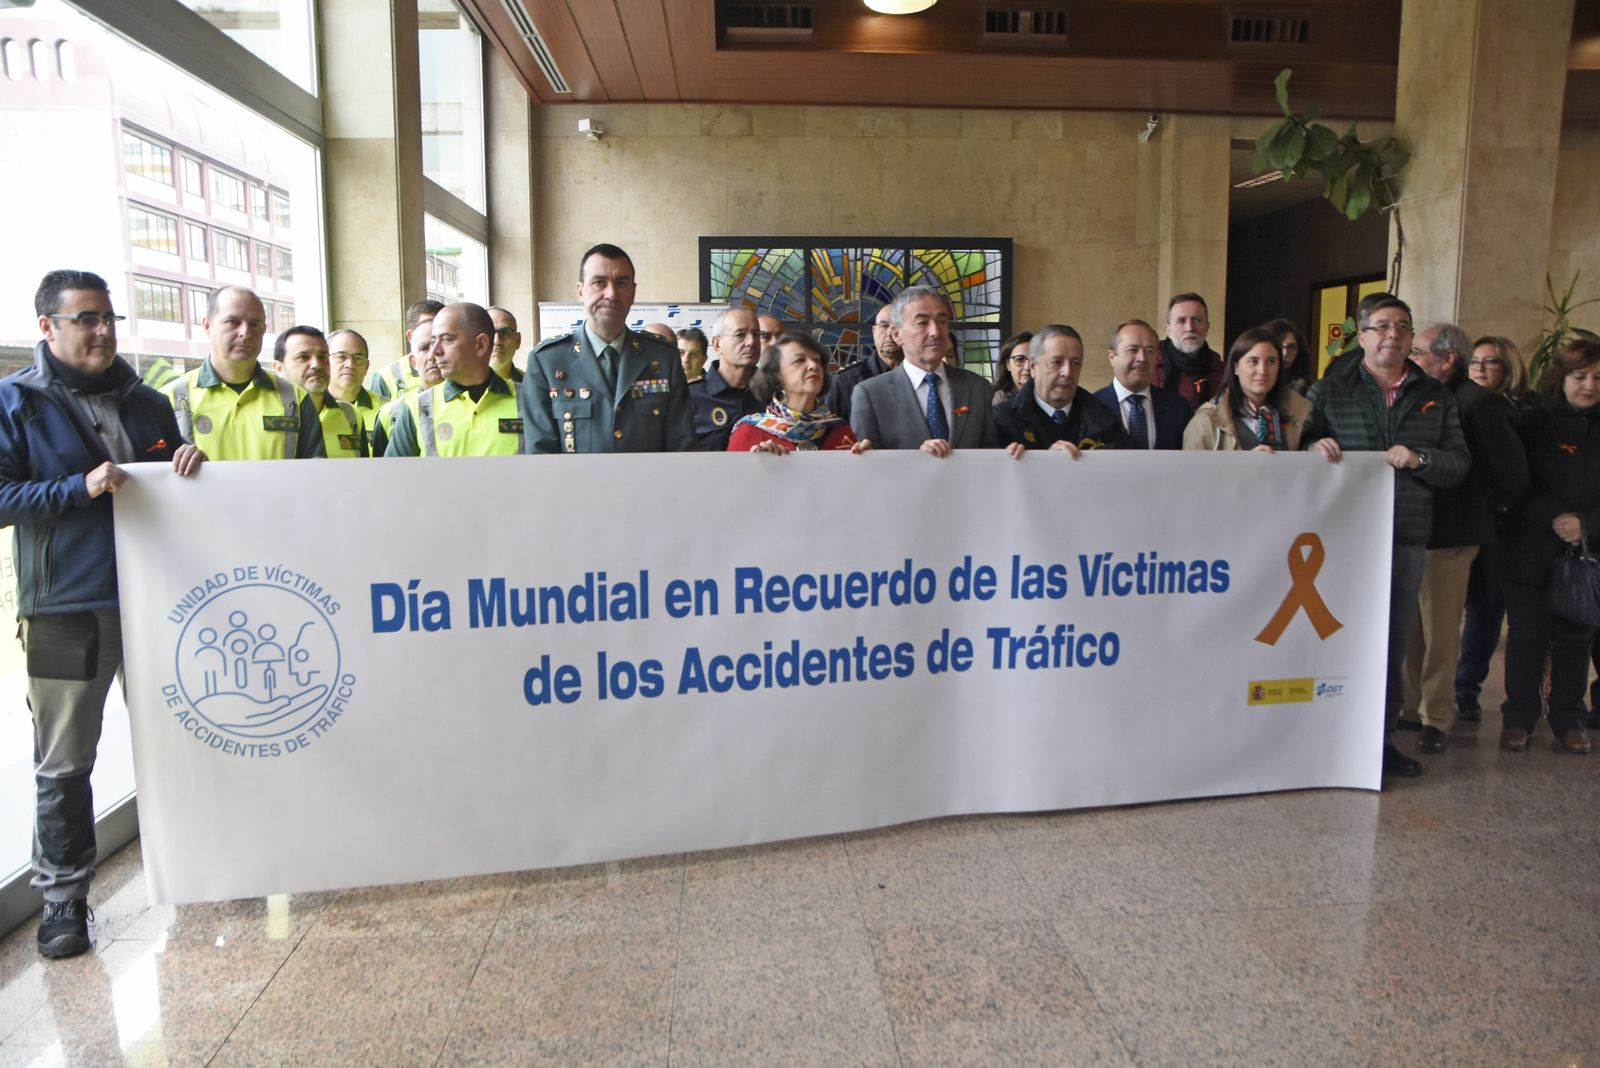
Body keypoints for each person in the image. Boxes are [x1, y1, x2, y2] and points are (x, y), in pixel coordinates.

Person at [0, 270, 205, 958]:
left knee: (182, 743)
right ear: (48, 328)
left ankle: (199, 866)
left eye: (108, 317)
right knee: (64, 762)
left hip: (160, 600)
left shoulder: (148, 402)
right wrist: (76, 488)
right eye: (85, 318)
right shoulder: (16, 403)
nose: (102, 329)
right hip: (66, 607)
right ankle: (63, 901)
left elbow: (173, 486)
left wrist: (187, 463)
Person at [1301, 295, 1469, 781]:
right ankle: (1328, 736)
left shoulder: (1435, 395)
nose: (1392, 335)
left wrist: (1422, 460)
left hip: (1404, 535)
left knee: (1390, 642)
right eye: (1381, 327)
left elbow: (1458, 462)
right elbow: (1303, 446)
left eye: (1402, 327)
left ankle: (1381, 741)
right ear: (1362, 334)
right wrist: (1316, 446)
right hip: (1341, 540)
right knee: (1337, 637)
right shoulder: (1332, 390)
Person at [1398, 324, 1526, 753]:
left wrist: (1485, 511)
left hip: (1452, 534)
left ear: (1447, 358)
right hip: (1416, 530)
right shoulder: (1423, 396)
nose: (1410, 358)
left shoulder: (1478, 403)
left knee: (1440, 633)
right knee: (1411, 628)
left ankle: (1437, 716)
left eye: (1417, 351)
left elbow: (1509, 472)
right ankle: (1408, 708)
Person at [1497, 340, 1600, 754]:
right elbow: (1514, 480)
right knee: (1527, 635)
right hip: (1529, 547)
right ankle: (1518, 718)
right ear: (1562, 378)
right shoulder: (1531, 421)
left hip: (1588, 552)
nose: (1589, 386)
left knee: (1576, 637)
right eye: (1580, 377)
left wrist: (1586, 525)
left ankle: (1570, 718)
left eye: (1597, 378)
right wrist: (1556, 517)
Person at [521, 243, 697, 454]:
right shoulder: (547, 362)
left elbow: (681, 447)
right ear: (580, 291)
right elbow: (540, 454)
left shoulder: (663, 358)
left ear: (633, 292)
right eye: (599, 283)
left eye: (622, 283)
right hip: (575, 487)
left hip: (649, 486)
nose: (611, 294)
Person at [163, 286, 324, 459]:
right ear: (208, 326)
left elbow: (315, 477)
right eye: (233, 322)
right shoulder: (168, 399)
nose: (245, 333)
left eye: (255, 324)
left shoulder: (296, 400)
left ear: (264, 329)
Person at [849, 285, 1001, 454]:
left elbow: (990, 456)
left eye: (942, 321)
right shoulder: (871, 394)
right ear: (896, 334)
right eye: (922, 323)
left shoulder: (977, 387)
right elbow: (869, 469)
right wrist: (918, 460)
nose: (935, 332)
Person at [386, 302, 522, 457]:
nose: (435, 351)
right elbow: (392, 478)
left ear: (480, 344)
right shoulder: (416, 410)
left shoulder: (528, 401)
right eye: (433, 341)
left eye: (447, 339)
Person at [995, 325, 1130, 454]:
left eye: (1075, 363)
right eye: (1057, 362)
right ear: (1032, 367)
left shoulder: (1104, 418)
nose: (1068, 372)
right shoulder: (1002, 420)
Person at [729, 334, 871, 454]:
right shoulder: (749, 432)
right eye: (799, 360)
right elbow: (732, 484)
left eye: (817, 360)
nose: (813, 365)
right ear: (776, 376)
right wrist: (761, 466)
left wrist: (868, 461)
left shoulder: (843, 433)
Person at [1182, 327, 1312, 451]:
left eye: (1271, 361)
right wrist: (1246, 465)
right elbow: (1191, 472)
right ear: (1236, 367)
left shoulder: (1301, 412)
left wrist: (1314, 446)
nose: (1262, 370)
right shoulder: (1206, 422)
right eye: (1253, 361)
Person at [272, 325, 367, 458]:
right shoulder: (266, 415)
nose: (316, 365)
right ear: (279, 368)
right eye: (303, 357)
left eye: (323, 357)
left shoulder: (350, 415)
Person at [1093, 320, 1189, 450]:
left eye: (1149, 351)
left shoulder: (1178, 408)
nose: (1142, 358)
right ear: (1112, 357)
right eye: (1133, 350)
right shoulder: (1091, 407)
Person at [689, 307, 762, 451]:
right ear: (717, 344)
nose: (751, 342)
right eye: (740, 335)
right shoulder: (691, 396)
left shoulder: (774, 395)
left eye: (756, 334)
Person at [371, 316, 442, 457]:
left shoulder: (472, 406)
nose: (432, 355)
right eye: (424, 348)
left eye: (437, 346)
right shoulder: (390, 413)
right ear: (413, 362)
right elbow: (382, 471)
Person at [824, 302, 902, 422]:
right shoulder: (845, 381)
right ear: (874, 331)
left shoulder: (921, 375)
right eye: (884, 326)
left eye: (896, 326)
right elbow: (831, 434)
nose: (890, 333)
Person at [1154, 292, 1223, 410]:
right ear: (1168, 330)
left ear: (1207, 328)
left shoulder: (1220, 371)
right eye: (1181, 321)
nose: (1190, 328)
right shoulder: (1150, 365)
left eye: (1197, 320)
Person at [367, 299, 443, 402]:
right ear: (410, 336)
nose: (433, 333)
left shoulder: (460, 370)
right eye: (425, 325)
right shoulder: (385, 378)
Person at [327, 329, 383, 444]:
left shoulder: (386, 410)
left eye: (357, 358)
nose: (350, 364)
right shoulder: (311, 408)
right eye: (341, 357)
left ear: (366, 367)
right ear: (326, 362)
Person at [1262, 318, 1315, 395]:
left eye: (1291, 347)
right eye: (1279, 346)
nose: (1285, 353)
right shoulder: (1256, 381)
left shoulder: (1309, 388)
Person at [991, 331, 1033, 403]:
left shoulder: (1050, 396)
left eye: (1033, 359)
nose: (1027, 367)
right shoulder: (998, 398)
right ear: (1008, 365)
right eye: (1020, 359)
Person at [487, 306, 525, 385]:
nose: (496, 341)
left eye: (505, 333)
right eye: (489, 332)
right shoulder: (459, 385)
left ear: (518, 341)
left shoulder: (532, 385)